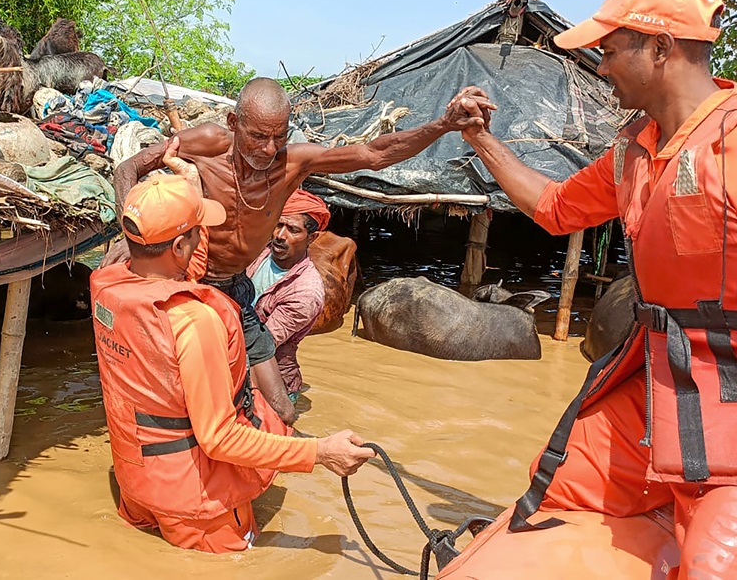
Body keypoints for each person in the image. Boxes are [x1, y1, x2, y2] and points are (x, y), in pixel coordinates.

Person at [438, 0, 737, 580]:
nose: (600, 67)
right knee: (556, 479)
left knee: (712, 567)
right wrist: (482, 141)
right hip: (666, 389)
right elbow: (553, 209)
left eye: (608, 50)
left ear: (660, 48)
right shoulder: (637, 151)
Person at [113, 78, 495, 423]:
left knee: (283, 409)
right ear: (233, 124)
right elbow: (128, 169)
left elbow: (376, 154)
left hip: (235, 289)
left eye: (278, 137)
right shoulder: (207, 143)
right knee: (180, 395)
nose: (268, 148)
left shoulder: (293, 162)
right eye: (258, 136)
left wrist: (443, 124)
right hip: (186, 285)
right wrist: (132, 237)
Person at [90, 173, 375, 554]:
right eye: (198, 232)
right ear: (180, 246)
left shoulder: (107, 283)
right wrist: (320, 453)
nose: (204, 239)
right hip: (196, 505)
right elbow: (220, 437)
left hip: (136, 481)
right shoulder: (194, 320)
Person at [247, 189, 330, 402]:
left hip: (273, 384)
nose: (280, 236)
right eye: (278, 225)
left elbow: (263, 344)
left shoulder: (306, 292)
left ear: (313, 237)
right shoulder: (258, 253)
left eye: (293, 230)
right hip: (240, 363)